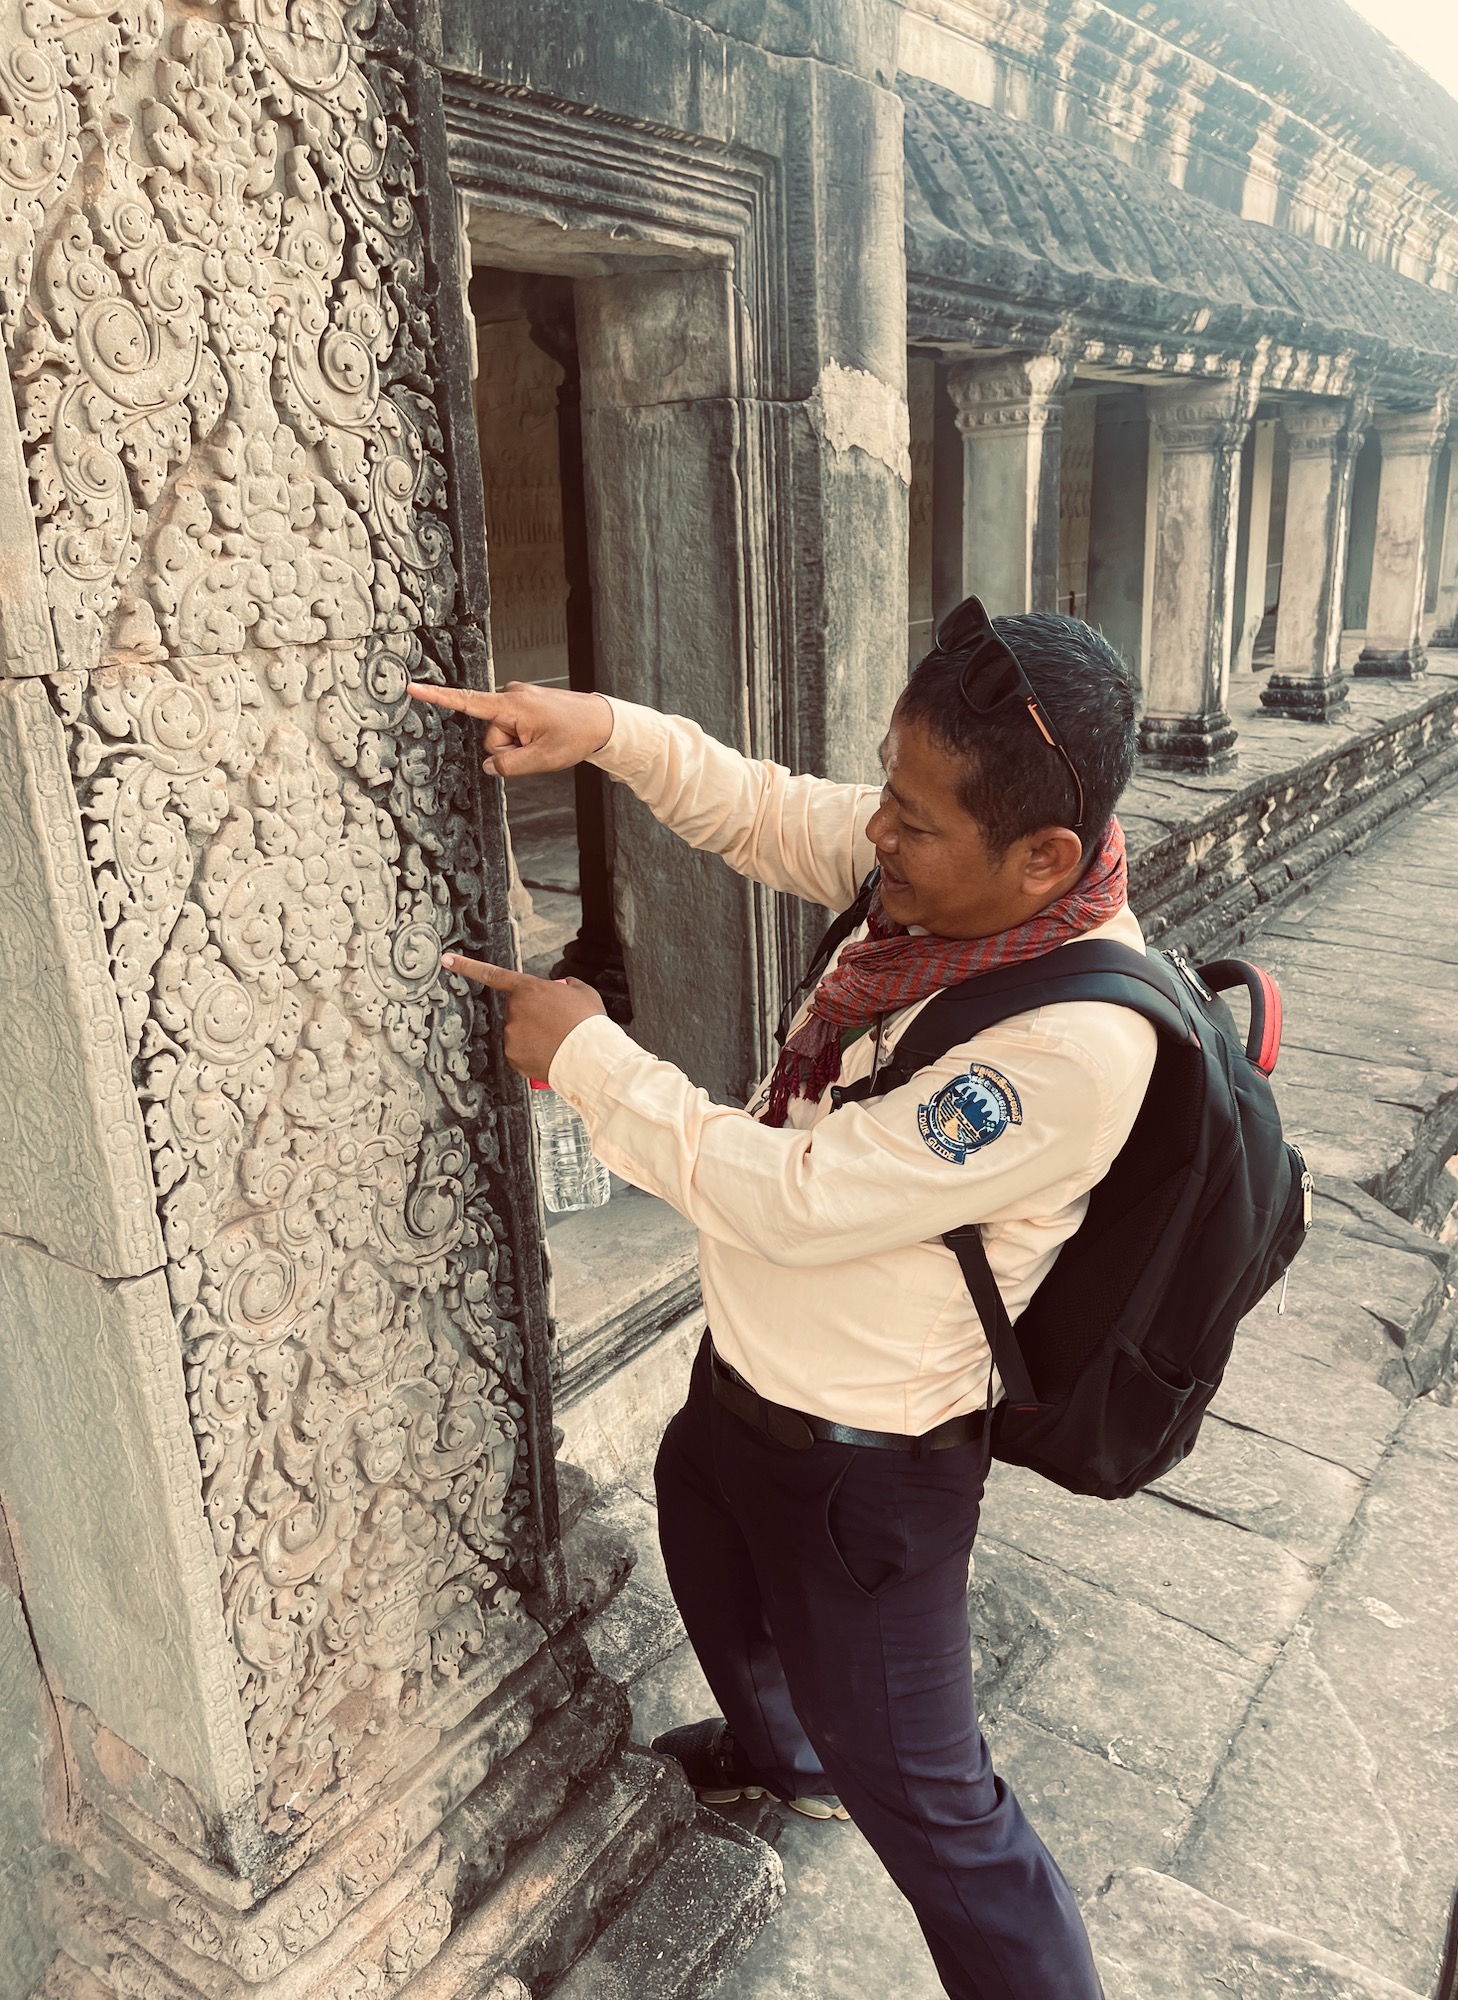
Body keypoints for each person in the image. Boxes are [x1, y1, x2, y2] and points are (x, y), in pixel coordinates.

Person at [409, 603, 1156, 2000]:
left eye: (913, 817)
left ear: (1045, 855)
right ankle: (787, 1759)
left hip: (872, 1472)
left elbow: (795, 1195)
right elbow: (764, 811)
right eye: (888, 791)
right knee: (710, 1557)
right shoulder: (946, 888)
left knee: (943, 1817)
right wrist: (607, 734)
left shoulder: (1070, 1045)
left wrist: (590, 1059)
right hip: (749, 1388)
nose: (877, 831)